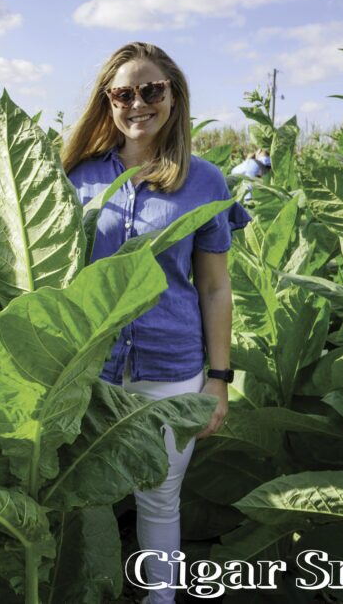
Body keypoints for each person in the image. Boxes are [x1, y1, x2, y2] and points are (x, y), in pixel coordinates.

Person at [63, 42, 250, 604]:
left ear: (174, 96)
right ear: (107, 101)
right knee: (79, 496)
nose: (137, 103)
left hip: (171, 367)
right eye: (123, 93)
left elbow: (215, 288)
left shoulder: (205, 181)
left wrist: (219, 378)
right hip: (89, 366)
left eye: (151, 90)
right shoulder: (78, 175)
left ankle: (160, 598)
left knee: (160, 496)